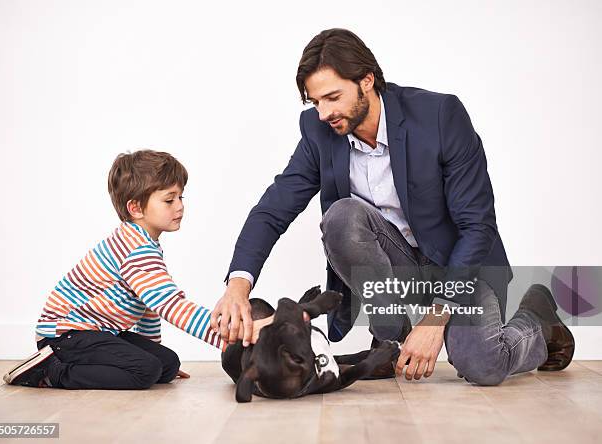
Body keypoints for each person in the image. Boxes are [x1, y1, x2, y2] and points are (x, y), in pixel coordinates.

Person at [212, 28, 575, 384]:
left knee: (482, 364)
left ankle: (539, 319)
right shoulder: (318, 130)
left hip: (457, 266)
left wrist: (436, 318)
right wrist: (237, 286)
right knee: (342, 217)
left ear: (367, 80)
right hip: (398, 264)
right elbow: (273, 209)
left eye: (333, 97)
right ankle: (390, 339)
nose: (323, 113)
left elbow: (477, 225)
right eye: (315, 101)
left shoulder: (439, 116)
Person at [3, 149, 269, 389]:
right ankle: (49, 372)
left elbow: (149, 307)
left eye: (180, 197)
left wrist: (152, 351)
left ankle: (142, 363)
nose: (180, 206)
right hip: (65, 336)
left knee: (166, 364)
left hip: (95, 332)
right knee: (146, 371)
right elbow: (171, 306)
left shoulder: (142, 242)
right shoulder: (135, 249)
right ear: (135, 207)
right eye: (169, 200)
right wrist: (229, 337)